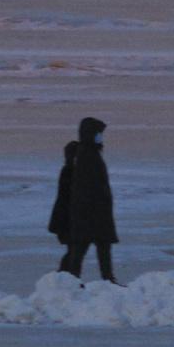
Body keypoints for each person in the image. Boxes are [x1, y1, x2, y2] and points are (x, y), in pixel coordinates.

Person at [49, 115, 118, 283]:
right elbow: (85, 190)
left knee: (91, 248)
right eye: (98, 133)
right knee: (82, 249)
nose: (100, 136)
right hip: (89, 215)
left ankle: (102, 279)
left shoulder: (90, 154)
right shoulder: (87, 156)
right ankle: (73, 281)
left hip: (92, 214)